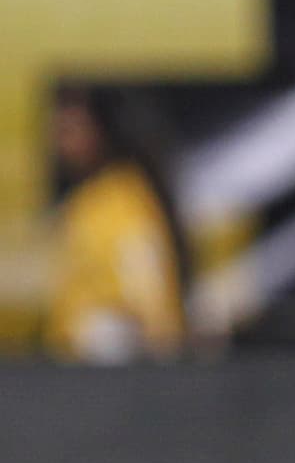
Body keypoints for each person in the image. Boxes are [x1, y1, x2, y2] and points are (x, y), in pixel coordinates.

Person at [46, 84, 188, 362]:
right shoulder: (85, 200)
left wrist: (155, 335)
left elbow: (144, 282)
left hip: (114, 368)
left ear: (99, 131)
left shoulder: (123, 199)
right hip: (72, 366)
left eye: (70, 130)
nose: (61, 143)